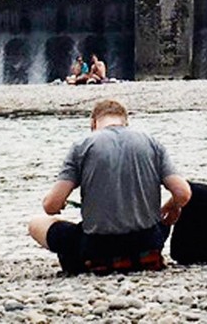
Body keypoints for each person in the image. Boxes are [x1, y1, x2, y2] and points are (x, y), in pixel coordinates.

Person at [28, 99, 191, 274]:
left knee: (36, 223)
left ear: (93, 123)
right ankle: (143, 259)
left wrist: (60, 201)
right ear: (126, 122)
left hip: (98, 247)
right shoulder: (152, 143)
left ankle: (88, 263)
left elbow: (51, 206)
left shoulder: (81, 146)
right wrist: (170, 207)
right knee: (158, 221)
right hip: (148, 242)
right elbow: (183, 193)